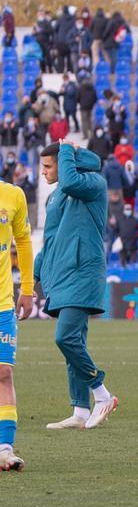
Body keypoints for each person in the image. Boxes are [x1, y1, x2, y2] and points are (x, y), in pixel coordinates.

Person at [37, 142, 119, 431]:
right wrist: (33, 276)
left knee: (66, 338)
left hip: (83, 272)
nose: (44, 172)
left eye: (49, 166)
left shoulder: (93, 183)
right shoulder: (57, 195)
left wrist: (67, 152)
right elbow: (50, 239)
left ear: (65, 161)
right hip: (61, 274)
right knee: (75, 343)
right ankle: (80, 410)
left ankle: (102, 394)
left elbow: (71, 181)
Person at [0, 173, 35, 470]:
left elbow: (23, 242)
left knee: (3, 373)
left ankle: (5, 449)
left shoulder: (13, 196)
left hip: (2, 303)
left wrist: (27, 289)